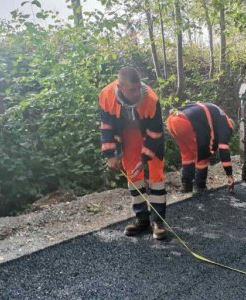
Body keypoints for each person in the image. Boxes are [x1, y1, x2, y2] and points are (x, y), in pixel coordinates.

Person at [99, 67, 167, 240]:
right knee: (133, 174)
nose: (137, 93)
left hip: (149, 136)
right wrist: (111, 155)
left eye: (138, 88)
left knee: (156, 176)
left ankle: (158, 221)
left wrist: (144, 158)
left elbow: (155, 133)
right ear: (120, 87)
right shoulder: (106, 95)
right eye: (131, 90)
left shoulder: (150, 98)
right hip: (127, 136)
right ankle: (142, 219)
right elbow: (106, 127)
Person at [166, 103, 235, 194]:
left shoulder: (217, 115)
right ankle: (199, 185)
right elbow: (223, 149)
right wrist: (230, 175)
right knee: (203, 152)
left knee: (187, 155)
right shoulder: (226, 125)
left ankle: (186, 186)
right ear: (231, 125)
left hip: (172, 120)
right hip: (186, 123)